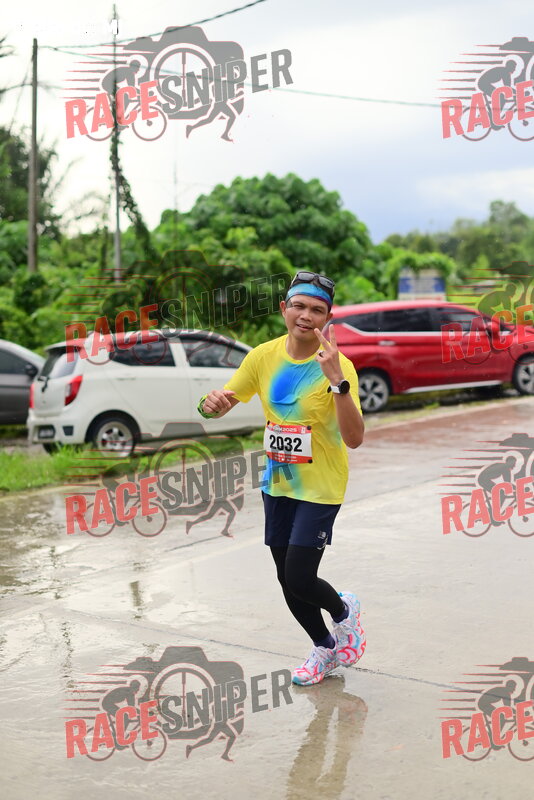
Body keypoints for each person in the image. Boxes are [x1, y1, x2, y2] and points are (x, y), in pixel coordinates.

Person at [196, 271, 366, 685]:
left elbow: (354, 438)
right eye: (298, 306)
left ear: (328, 318)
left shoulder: (339, 366)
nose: (306, 316)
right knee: (286, 579)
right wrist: (209, 404)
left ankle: (344, 611)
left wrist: (338, 383)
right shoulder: (263, 357)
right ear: (283, 309)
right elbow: (221, 403)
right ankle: (324, 648)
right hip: (279, 482)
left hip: (321, 485)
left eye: (317, 310)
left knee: (300, 576)